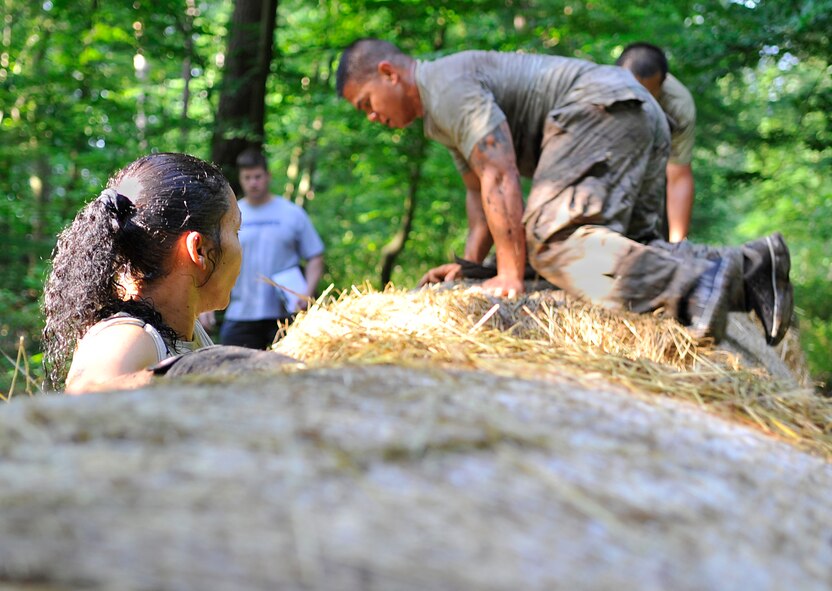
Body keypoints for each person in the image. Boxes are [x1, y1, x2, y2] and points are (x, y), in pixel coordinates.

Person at [335, 39, 793, 345]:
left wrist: (511, 276)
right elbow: (480, 198)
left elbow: (500, 172)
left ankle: (699, 284)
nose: (372, 117)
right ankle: (753, 271)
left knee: (549, 242)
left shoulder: (446, 86)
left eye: (366, 104)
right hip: (634, 113)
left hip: (603, 109)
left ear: (388, 73)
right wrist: (472, 268)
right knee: (621, 251)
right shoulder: (440, 115)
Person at [43, 153, 242, 393]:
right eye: (236, 230)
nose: (241, 247)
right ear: (198, 249)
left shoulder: (179, 329)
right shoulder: (127, 340)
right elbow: (82, 406)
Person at [204, 148, 325, 350]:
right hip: (240, 314)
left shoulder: (292, 213)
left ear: (268, 176)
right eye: (248, 177)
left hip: (286, 315)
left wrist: (306, 293)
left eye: (258, 176)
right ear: (241, 179)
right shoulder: (230, 215)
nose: (253, 182)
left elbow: (315, 257)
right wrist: (205, 302)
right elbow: (211, 260)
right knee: (233, 376)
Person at [617, 42, 696, 243]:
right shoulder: (591, 89)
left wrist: (678, 244)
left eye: (648, 94)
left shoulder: (678, 106)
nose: (639, 100)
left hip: (648, 176)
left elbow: (678, 175)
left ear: (662, 84)